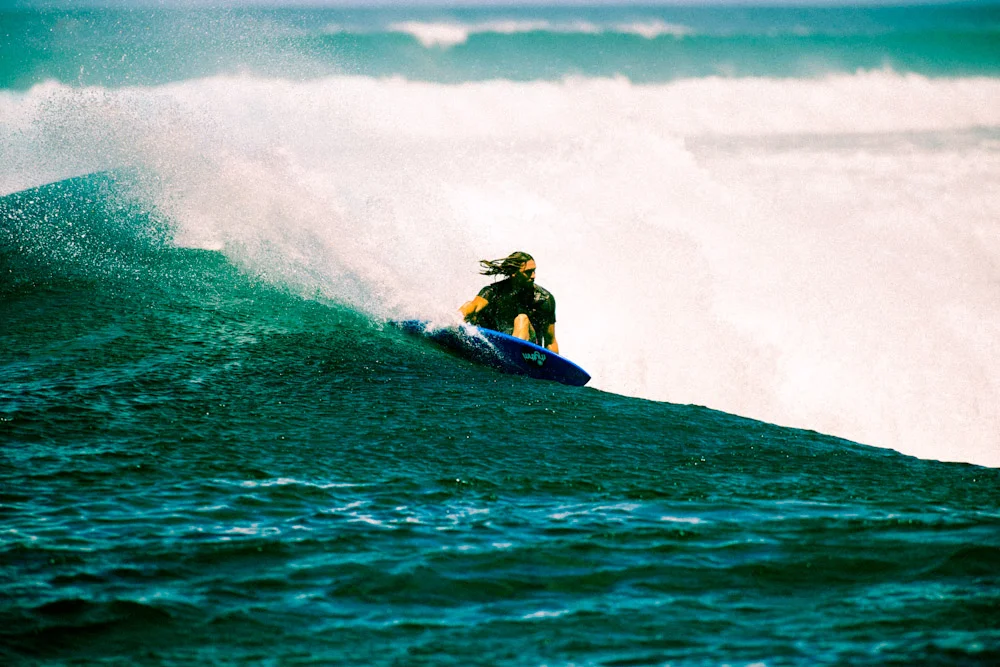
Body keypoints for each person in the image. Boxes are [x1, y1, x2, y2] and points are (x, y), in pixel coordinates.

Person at [459, 251, 559, 353]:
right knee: (469, 306)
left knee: (522, 319)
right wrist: (456, 319)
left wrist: (555, 366)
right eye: (528, 272)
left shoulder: (544, 299)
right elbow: (474, 306)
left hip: (530, 353)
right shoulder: (494, 292)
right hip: (496, 346)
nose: (533, 276)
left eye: (534, 271)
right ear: (513, 273)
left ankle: (512, 354)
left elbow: (550, 342)